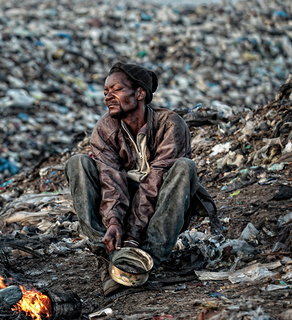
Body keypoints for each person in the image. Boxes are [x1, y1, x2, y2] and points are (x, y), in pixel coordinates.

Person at [65, 62, 222, 295]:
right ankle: (108, 253)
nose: (108, 97)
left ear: (139, 93)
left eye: (116, 90)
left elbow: (155, 181)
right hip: (124, 204)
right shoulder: (105, 128)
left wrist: (134, 238)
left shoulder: (170, 124)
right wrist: (114, 223)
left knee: (184, 167)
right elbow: (110, 179)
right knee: (77, 163)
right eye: (106, 92)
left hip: (159, 209)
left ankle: (146, 258)